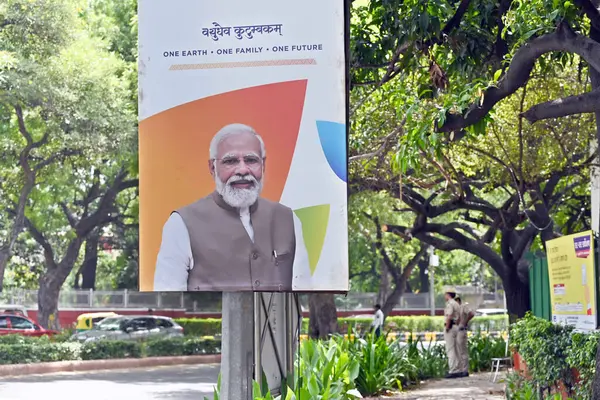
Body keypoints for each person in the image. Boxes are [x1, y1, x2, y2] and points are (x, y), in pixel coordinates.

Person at [154, 123, 309, 292]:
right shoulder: (181, 224)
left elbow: (304, 287)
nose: (242, 170)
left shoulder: (288, 219)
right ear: (212, 168)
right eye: (230, 161)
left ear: (262, 165)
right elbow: (168, 295)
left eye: (251, 160)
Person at [443, 287, 461, 379]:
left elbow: (449, 316)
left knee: (450, 349)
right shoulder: (457, 304)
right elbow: (459, 317)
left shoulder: (450, 304)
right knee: (456, 349)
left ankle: (453, 370)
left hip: (450, 327)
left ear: (448, 294)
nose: (444, 296)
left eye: (445, 294)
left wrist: (447, 327)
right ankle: (458, 369)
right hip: (456, 327)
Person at [455, 296, 474, 378]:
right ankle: (461, 369)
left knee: (462, 350)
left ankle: (465, 370)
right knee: (458, 350)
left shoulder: (463, 307)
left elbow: (471, 314)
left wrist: (465, 322)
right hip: (457, 331)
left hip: (461, 330)